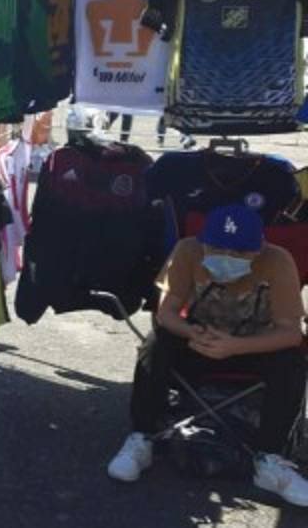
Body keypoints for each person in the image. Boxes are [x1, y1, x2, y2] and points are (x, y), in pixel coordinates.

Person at [107, 204, 308, 506]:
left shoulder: (278, 261)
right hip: (198, 339)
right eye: (217, 248)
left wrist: (236, 346)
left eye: (240, 253)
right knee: (157, 342)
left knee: (291, 360)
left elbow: (290, 331)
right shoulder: (188, 251)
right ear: (204, 242)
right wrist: (191, 333)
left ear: (259, 248)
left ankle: (269, 459)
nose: (228, 258)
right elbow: (167, 312)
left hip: (253, 346)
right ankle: (142, 437)